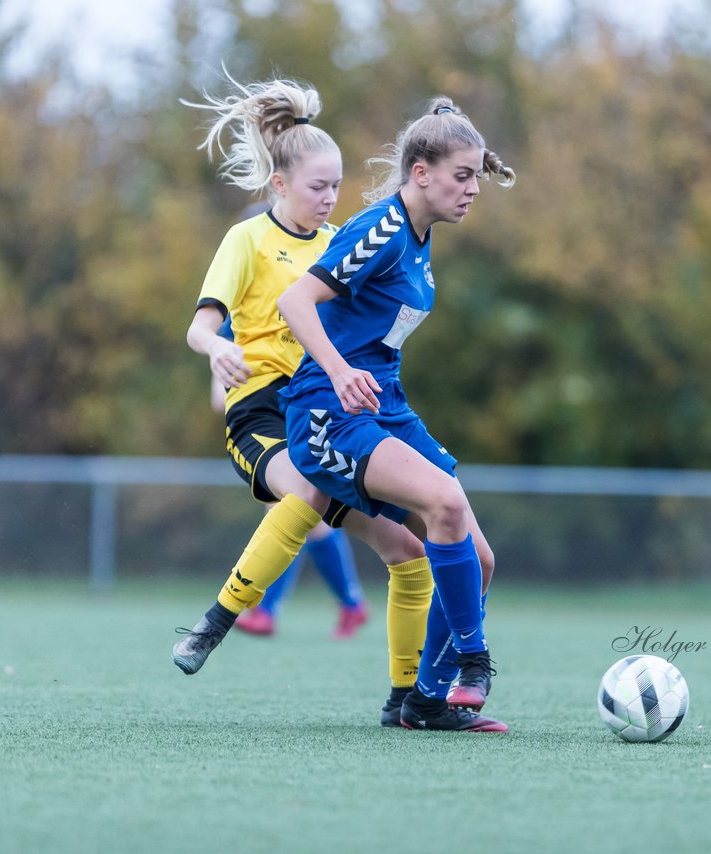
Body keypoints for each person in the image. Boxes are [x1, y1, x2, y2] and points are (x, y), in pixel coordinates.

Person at [171, 75, 439, 728]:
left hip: (319, 411)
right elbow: (200, 325)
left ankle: (404, 699)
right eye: (318, 186)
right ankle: (214, 623)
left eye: (336, 186)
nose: (330, 199)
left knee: (409, 553)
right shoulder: (247, 240)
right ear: (279, 186)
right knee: (308, 491)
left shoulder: (340, 241)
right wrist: (217, 352)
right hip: (262, 412)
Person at [277, 97, 516, 732]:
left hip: (383, 408)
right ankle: (473, 658)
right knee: (444, 503)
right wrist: (337, 368)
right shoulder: (379, 231)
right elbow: (294, 300)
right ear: (420, 173)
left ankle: (424, 704)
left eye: (476, 177)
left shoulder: (418, 237)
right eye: (462, 176)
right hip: (328, 413)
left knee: (479, 558)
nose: (472, 190)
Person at [208, 314, 370, 640]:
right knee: (307, 515)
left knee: (296, 510)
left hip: (302, 419)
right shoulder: (241, 319)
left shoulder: (300, 305)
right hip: (273, 420)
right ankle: (349, 603)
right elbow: (218, 398)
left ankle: (267, 610)